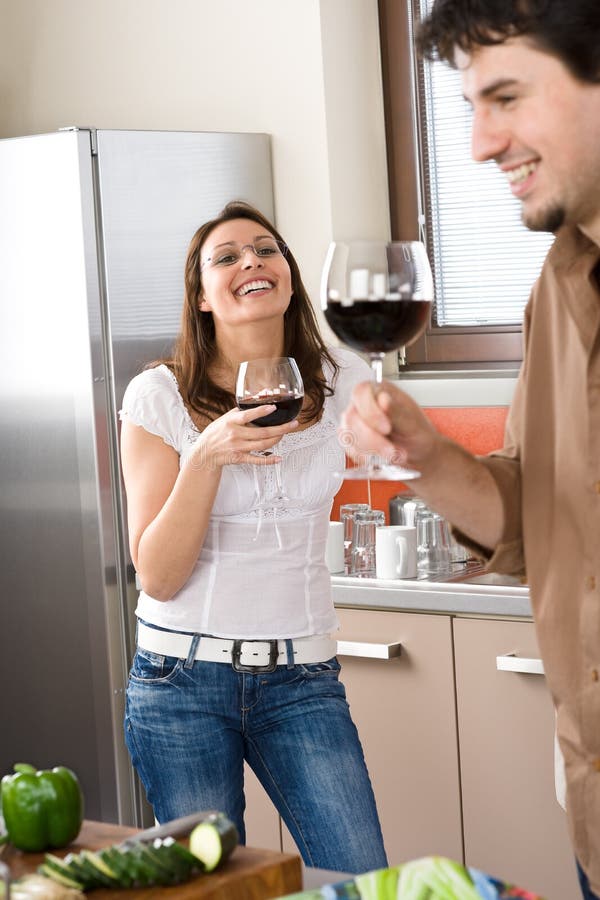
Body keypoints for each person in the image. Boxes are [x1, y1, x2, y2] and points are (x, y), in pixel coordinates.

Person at [341, 1, 600, 896]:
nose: (482, 145)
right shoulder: (558, 286)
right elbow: (534, 513)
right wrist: (429, 455)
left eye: (507, 98)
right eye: (469, 109)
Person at [119, 200, 387, 873]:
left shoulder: (344, 380)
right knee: (209, 889)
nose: (251, 262)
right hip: (180, 680)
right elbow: (157, 575)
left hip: (302, 677)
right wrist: (206, 456)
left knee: (359, 878)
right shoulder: (158, 396)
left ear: (289, 277)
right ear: (202, 296)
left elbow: (389, 459)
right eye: (227, 256)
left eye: (266, 250)